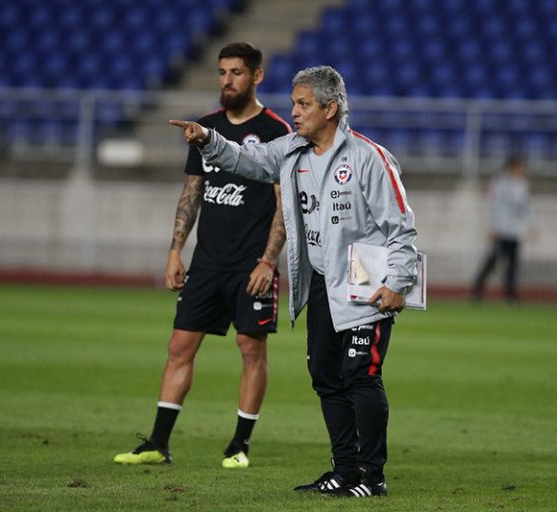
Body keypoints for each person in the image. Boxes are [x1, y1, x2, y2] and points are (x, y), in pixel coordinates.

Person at [170, 65, 418, 497]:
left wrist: (399, 281)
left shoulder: (369, 158)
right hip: (321, 281)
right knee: (325, 375)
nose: (295, 112)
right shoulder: (291, 150)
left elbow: (401, 227)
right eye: (294, 103)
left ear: (330, 109)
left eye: (303, 104)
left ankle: (372, 476)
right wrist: (209, 140)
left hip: (366, 282)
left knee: (361, 375)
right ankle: (345, 469)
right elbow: (246, 160)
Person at [113, 43, 289, 469]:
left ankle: (240, 445)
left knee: (251, 349)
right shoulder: (204, 128)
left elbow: (285, 204)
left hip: (251, 265)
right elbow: (192, 192)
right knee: (179, 346)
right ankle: (158, 443)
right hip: (207, 262)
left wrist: (268, 261)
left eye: (236, 73)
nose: (227, 81)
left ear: (257, 76)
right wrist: (175, 250)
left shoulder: (276, 132)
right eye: (222, 72)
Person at [471, 156, 530, 301]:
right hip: (501, 230)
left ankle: (510, 295)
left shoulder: (522, 185)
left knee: (512, 264)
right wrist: (493, 226)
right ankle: (477, 290)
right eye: (520, 166)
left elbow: (524, 209)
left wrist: (526, 227)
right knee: (492, 262)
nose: (523, 169)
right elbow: (494, 206)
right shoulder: (500, 183)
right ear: (512, 167)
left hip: (514, 231)